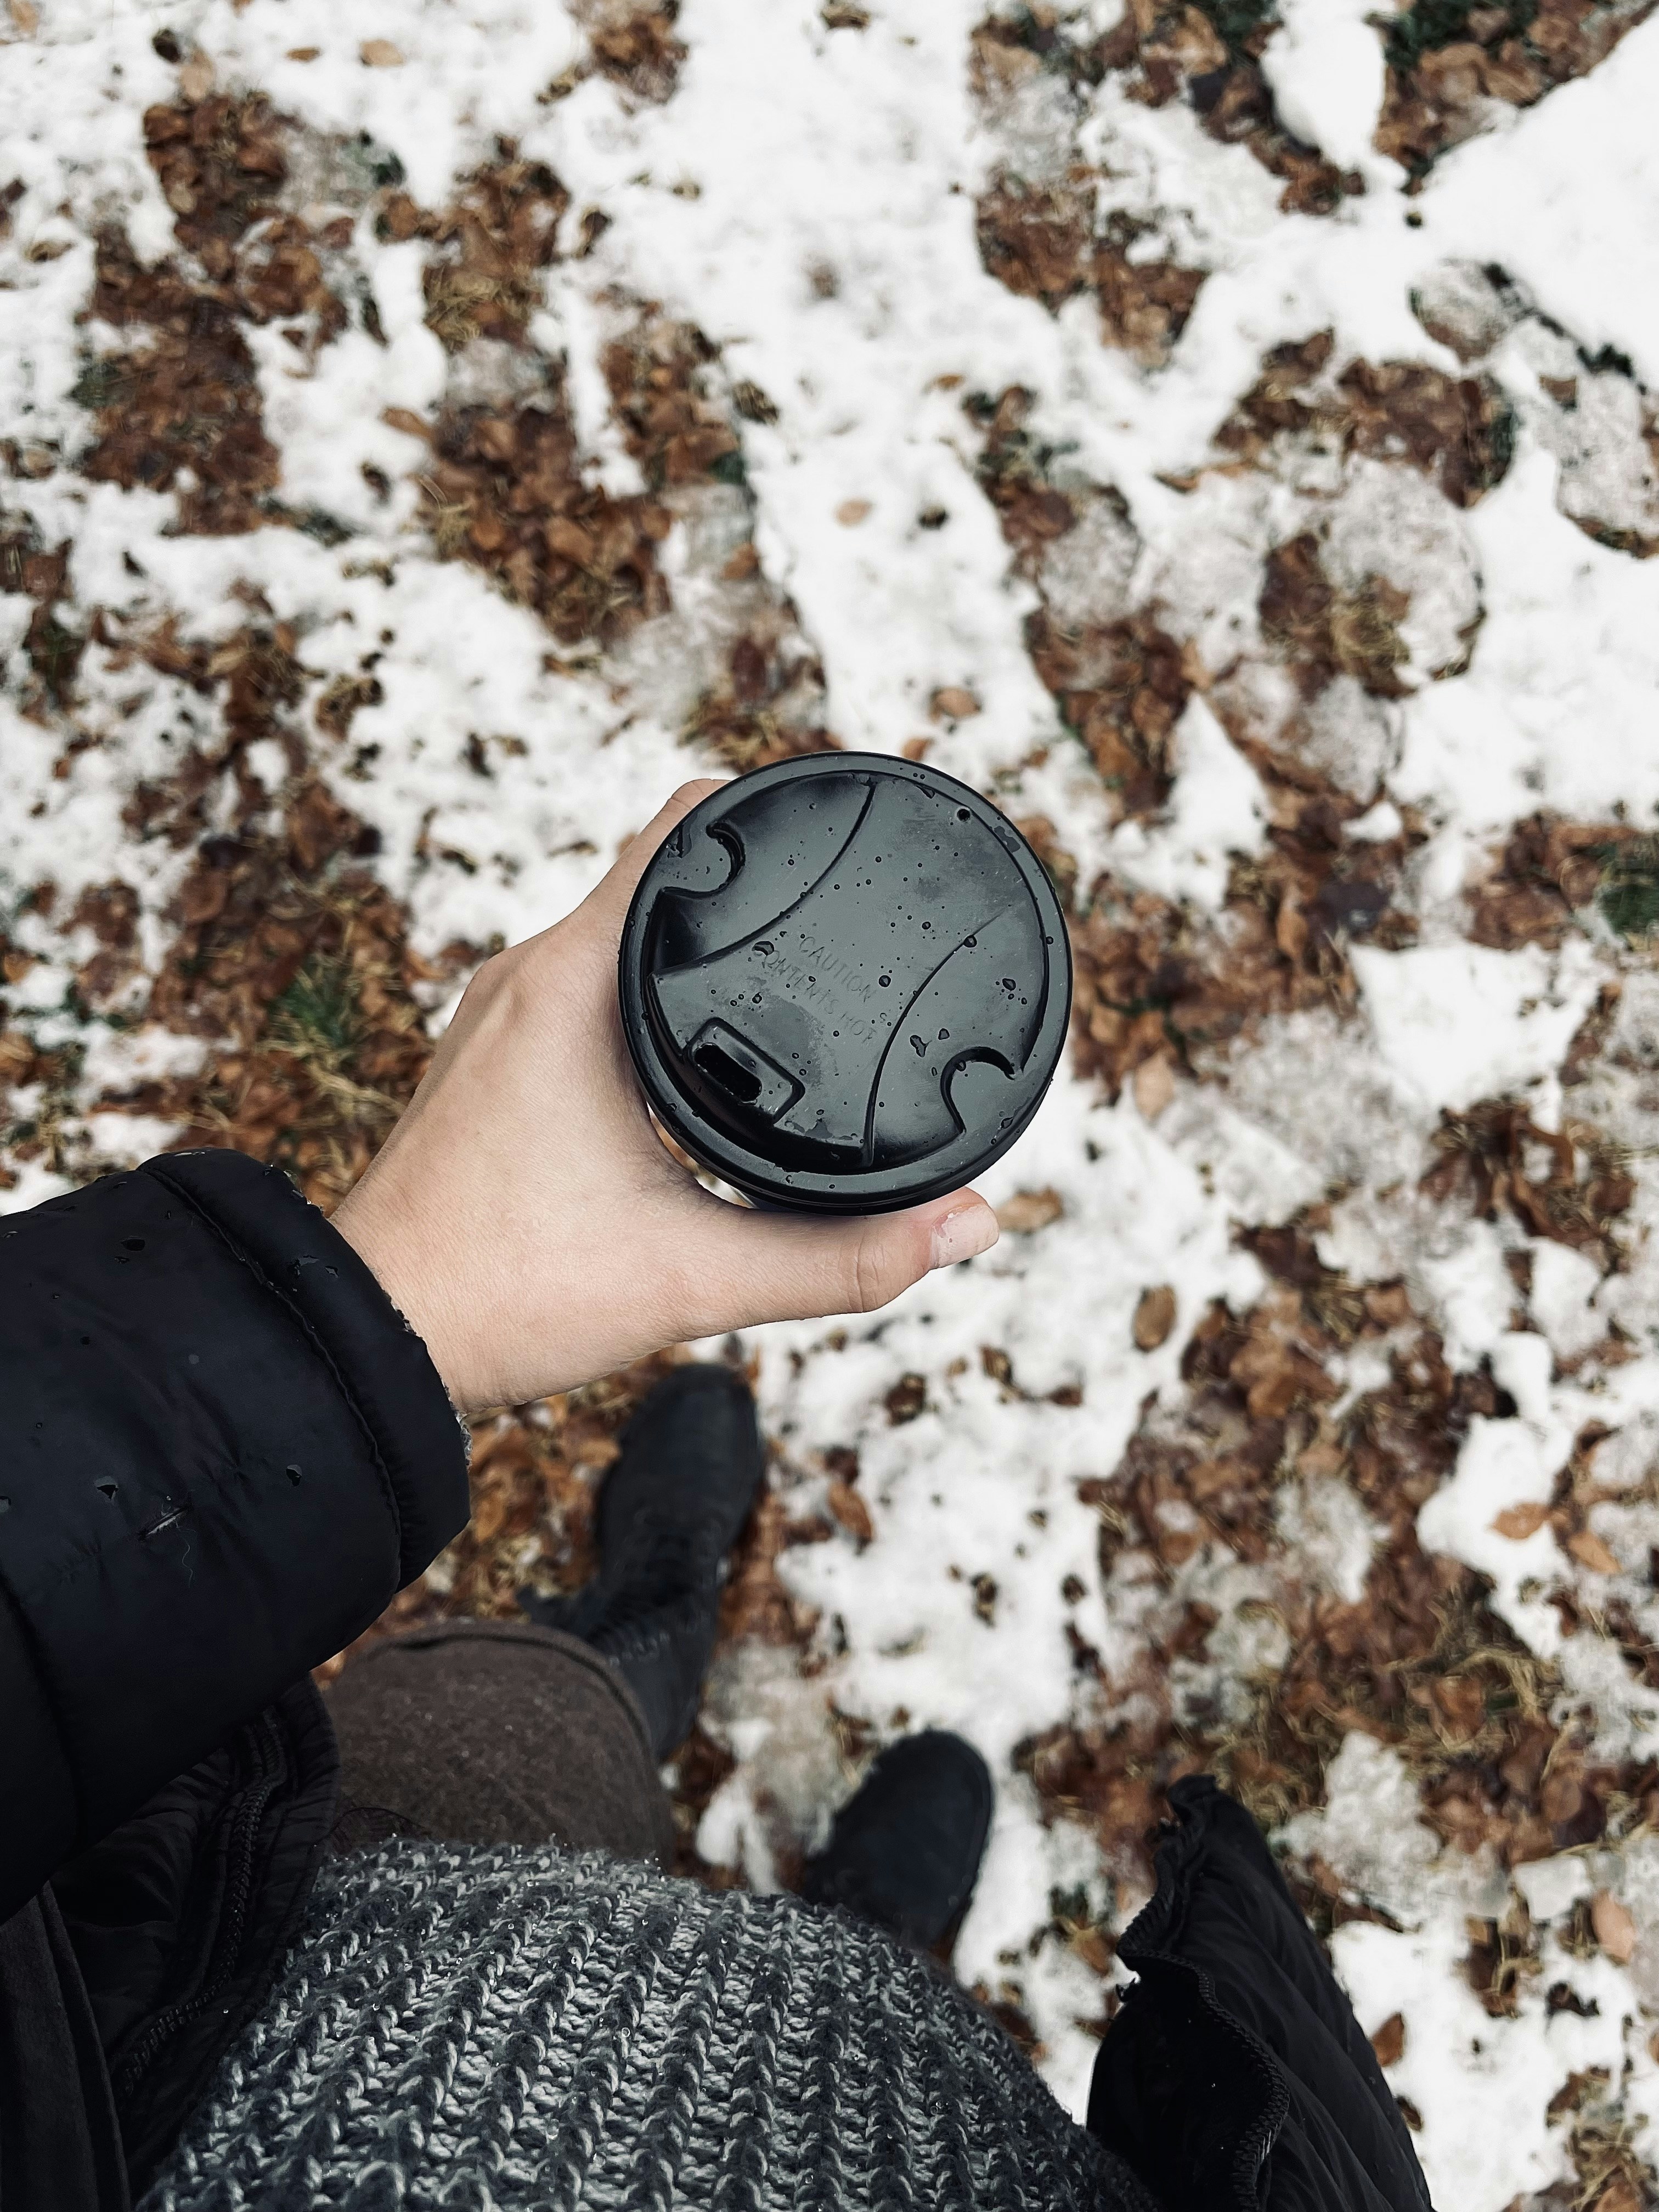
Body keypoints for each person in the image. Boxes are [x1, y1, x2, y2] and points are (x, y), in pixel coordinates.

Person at [0, 782, 1434, 2211]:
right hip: (859, 2141)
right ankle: (859, 1946)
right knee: (630, 1828)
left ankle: (649, 1640)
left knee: (519, 1720)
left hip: (211, 1991)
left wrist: (378, 1318)